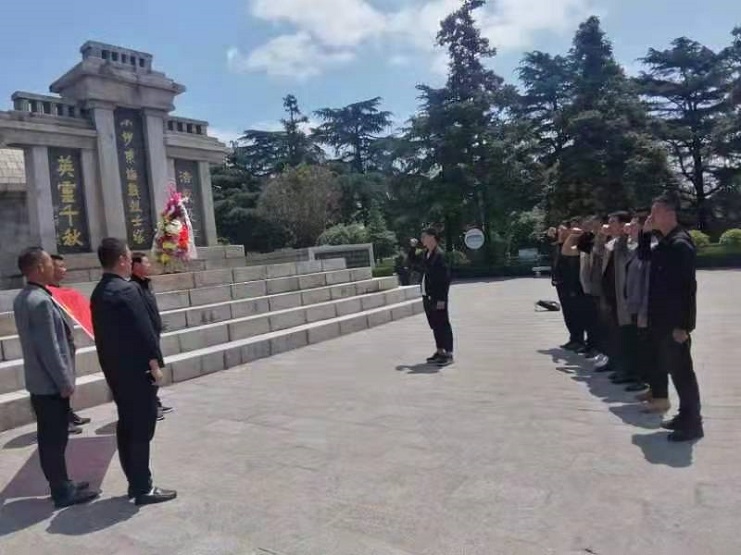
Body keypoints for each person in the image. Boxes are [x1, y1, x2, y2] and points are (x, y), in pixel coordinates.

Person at [91, 238, 177, 505]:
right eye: (129, 257)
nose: (130, 262)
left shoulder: (99, 292)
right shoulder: (128, 290)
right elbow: (144, 331)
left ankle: (134, 481)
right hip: (137, 372)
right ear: (121, 261)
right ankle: (143, 488)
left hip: (116, 372)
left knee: (127, 425)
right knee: (141, 428)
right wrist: (155, 366)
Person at [13, 247, 99, 508]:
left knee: (51, 437)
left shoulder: (24, 297)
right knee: (54, 439)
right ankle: (62, 491)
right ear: (39, 267)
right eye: (50, 263)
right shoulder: (39, 301)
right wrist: (65, 382)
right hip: (49, 384)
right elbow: (49, 348)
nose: (54, 267)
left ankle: (61, 483)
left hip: (39, 381)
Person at [641, 196, 702, 442]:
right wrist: (645, 234)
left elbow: (687, 289)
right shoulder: (665, 242)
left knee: (683, 373)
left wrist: (684, 326)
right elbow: (645, 257)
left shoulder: (680, 244)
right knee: (676, 372)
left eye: (654, 213)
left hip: (675, 323)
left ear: (669, 214)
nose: (650, 218)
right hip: (662, 320)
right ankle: (684, 416)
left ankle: (693, 424)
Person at [48, 254, 92, 434]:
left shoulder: (61, 291)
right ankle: (62, 420)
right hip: (58, 347)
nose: (64, 270)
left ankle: (69, 413)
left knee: (70, 380)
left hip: (68, 343)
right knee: (61, 383)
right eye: (60, 266)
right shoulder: (46, 295)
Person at [130, 252, 173, 422]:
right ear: (136, 266)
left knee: (154, 371)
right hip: (144, 338)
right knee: (149, 372)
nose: (149, 266)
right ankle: (150, 407)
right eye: (146, 263)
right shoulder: (133, 288)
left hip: (153, 334)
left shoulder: (146, 284)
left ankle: (155, 402)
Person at [420, 228, 454, 366]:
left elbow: (445, 279)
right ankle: (440, 351)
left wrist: (442, 299)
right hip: (427, 295)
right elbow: (412, 262)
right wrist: (412, 248)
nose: (422, 239)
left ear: (432, 237)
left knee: (443, 323)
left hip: (438, 297)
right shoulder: (426, 254)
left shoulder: (440, 255)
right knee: (435, 324)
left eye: (424, 236)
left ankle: (449, 353)